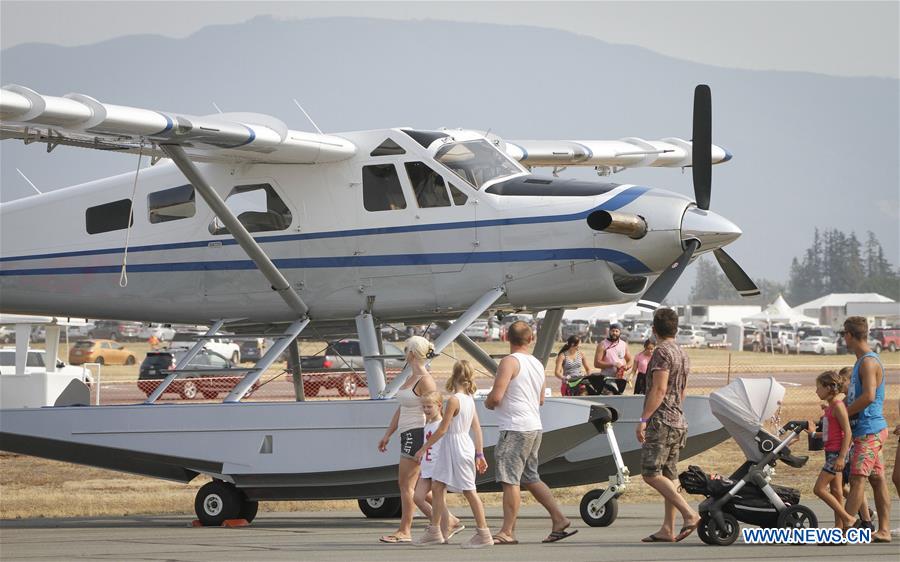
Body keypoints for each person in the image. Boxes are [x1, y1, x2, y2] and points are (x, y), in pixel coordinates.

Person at [485, 321, 577, 545]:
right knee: (530, 477)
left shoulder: (509, 362)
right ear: (531, 339)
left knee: (510, 480)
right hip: (534, 425)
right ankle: (559, 518)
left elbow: (496, 398)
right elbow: (541, 399)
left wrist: (488, 402)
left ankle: (507, 531)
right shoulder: (536, 363)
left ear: (507, 337)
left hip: (515, 428)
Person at [636, 308, 700, 543]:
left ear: (654, 330)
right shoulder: (682, 353)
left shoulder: (662, 352)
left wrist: (644, 419)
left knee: (650, 474)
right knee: (669, 474)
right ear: (676, 328)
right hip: (678, 419)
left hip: (662, 421)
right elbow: (681, 390)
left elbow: (659, 388)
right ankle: (667, 528)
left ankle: (689, 513)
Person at [414, 361, 492, 548]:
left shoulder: (454, 400)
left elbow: (442, 429)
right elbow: (477, 428)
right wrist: (479, 454)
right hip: (461, 444)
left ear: (453, 375)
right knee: (438, 486)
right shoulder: (469, 399)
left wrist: (423, 448)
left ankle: (484, 533)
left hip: (455, 445)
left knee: (469, 491)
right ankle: (435, 531)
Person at [377, 336, 438, 543]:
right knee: (411, 486)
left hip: (416, 433)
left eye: (406, 349)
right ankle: (448, 520)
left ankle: (405, 530)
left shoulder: (425, 380)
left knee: (405, 484)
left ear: (411, 353)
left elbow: (435, 410)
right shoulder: (410, 377)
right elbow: (402, 408)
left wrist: (429, 443)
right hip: (406, 433)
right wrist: (388, 433)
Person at [841, 316, 891, 543]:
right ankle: (884, 530)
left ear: (850, 335)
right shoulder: (860, 361)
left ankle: (843, 531)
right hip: (866, 429)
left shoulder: (869, 362)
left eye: (844, 334)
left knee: (857, 478)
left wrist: (844, 412)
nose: (843, 338)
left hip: (870, 430)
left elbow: (869, 396)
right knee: (877, 479)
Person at [807, 371, 856, 530]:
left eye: (819, 387)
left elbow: (848, 432)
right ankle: (838, 530)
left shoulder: (838, 406)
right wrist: (814, 434)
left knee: (819, 489)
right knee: (836, 491)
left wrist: (842, 457)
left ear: (829, 387)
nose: (816, 391)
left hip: (836, 454)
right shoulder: (830, 407)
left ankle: (848, 519)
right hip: (830, 452)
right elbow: (830, 432)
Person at [413, 391, 464, 542]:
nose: (426, 409)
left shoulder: (441, 425)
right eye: (424, 406)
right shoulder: (428, 423)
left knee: (438, 498)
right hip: (426, 466)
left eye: (429, 406)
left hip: (437, 466)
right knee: (418, 497)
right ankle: (450, 520)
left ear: (439, 406)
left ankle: (442, 525)